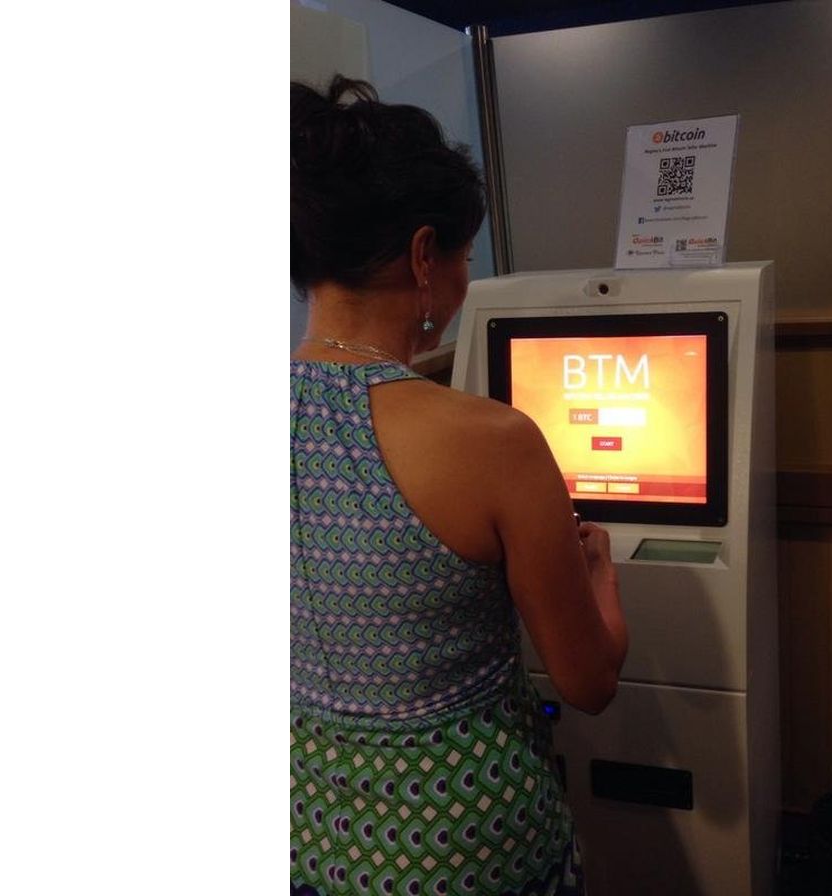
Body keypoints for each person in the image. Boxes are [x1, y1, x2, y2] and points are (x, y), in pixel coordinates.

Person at [290, 76, 628, 896]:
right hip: (465, 840)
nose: (465, 278)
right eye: (466, 256)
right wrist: (598, 576)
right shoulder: (493, 441)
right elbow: (587, 684)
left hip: (304, 831)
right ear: (423, 256)